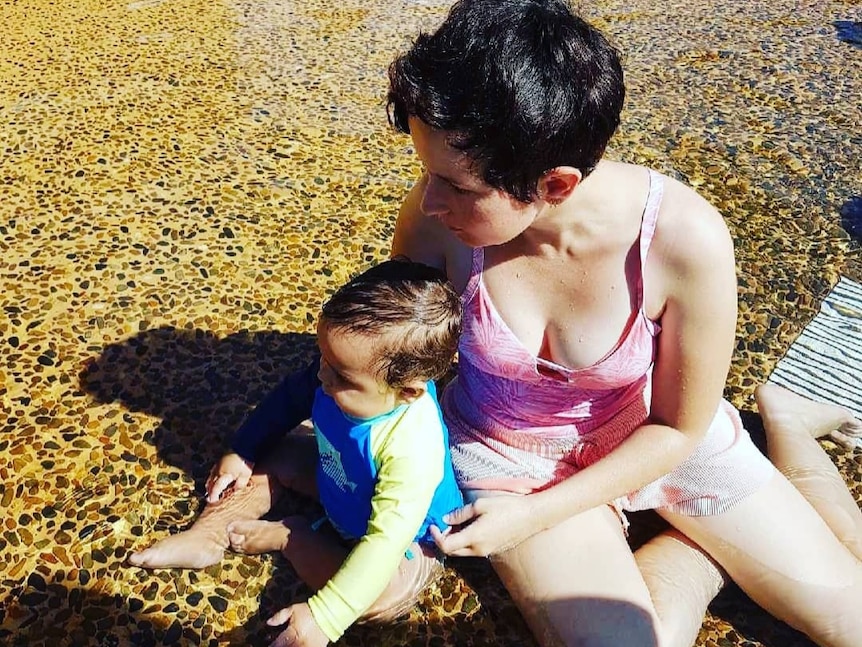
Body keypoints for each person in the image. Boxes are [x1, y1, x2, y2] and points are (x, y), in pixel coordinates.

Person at [385, 1, 862, 646]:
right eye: (426, 170)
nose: (428, 198)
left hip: (653, 436)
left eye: (456, 185)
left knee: (851, 623)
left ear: (555, 185)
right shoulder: (434, 221)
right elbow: (391, 357)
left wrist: (533, 519)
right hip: (510, 453)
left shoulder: (682, 241)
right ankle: (700, 559)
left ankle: (784, 423)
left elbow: (678, 425)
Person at [128, 258, 465, 647]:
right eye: (323, 357)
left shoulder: (413, 447)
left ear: (408, 392)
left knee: (381, 600)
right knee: (279, 454)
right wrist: (243, 450)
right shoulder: (341, 369)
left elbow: (384, 541)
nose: (322, 375)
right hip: (340, 480)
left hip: (406, 539)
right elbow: (288, 400)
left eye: (340, 376)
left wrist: (326, 616)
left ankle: (293, 538)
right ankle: (206, 535)